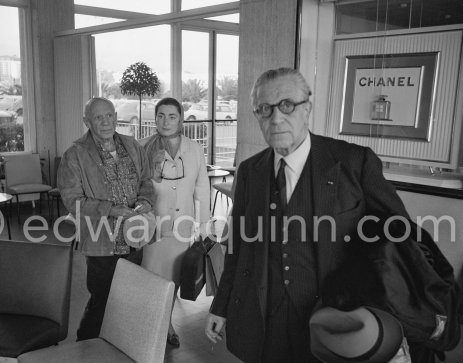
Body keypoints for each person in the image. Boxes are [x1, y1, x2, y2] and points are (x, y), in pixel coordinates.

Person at [204, 68, 414, 362]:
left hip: (335, 317)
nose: (276, 118)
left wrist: (405, 319)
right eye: (265, 109)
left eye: (287, 105)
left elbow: (401, 242)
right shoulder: (251, 171)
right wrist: (221, 305)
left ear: (307, 108)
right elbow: (237, 248)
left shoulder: (354, 163)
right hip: (264, 317)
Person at [58, 97, 155, 341]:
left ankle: (121, 345)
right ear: (86, 121)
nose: (106, 122)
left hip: (134, 236)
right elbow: (72, 201)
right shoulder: (75, 155)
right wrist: (109, 209)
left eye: (110, 115)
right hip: (101, 242)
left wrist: (146, 201)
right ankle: (86, 348)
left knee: (129, 297)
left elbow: (146, 181)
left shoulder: (133, 146)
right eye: (99, 117)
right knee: (101, 300)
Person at [140, 97, 210, 347]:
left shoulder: (195, 149)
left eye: (171, 116)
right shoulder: (142, 148)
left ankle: (166, 325)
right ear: (154, 118)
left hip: (183, 227)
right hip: (155, 228)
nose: (165, 121)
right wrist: (154, 171)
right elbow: (139, 188)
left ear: (181, 119)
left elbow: (202, 188)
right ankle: (149, 329)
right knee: (153, 281)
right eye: (160, 115)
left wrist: (204, 226)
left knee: (173, 281)